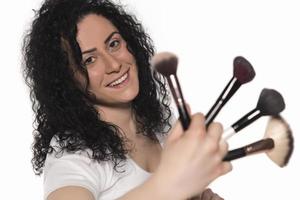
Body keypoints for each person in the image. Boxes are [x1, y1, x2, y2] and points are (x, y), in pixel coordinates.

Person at [22, 0, 232, 199]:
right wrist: (166, 185)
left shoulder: (161, 125)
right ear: (66, 79)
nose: (114, 65)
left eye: (114, 44)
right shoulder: (71, 154)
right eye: (89, 60)